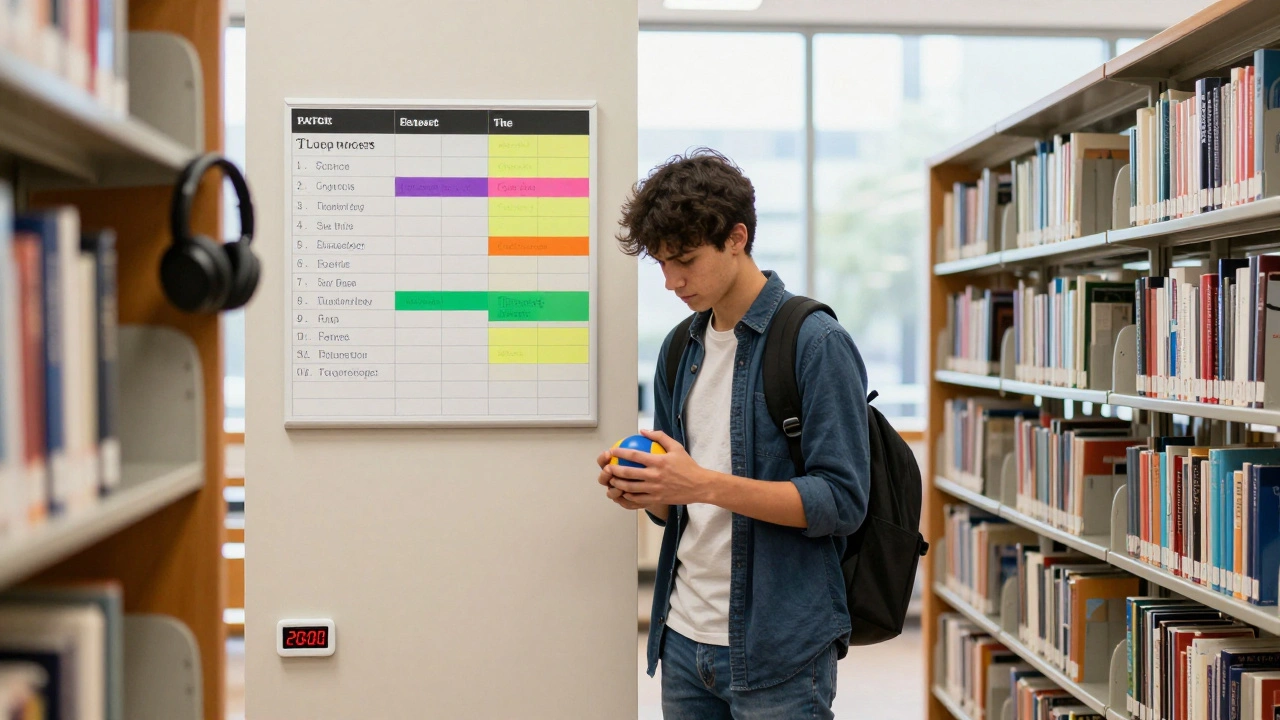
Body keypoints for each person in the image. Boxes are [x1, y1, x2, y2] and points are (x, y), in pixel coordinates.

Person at [596, 149, 872, 719]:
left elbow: (842, 502)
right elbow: (681, 508)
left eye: (686, 261)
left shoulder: (815, 342)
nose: (672, 281)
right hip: (682, 640)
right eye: (661, 264)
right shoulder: (679, 350)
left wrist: (701, 484)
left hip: (781, 651)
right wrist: (649, 491)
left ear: (737, 237)